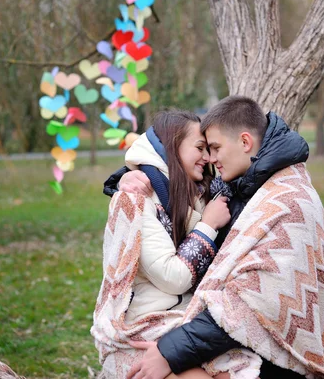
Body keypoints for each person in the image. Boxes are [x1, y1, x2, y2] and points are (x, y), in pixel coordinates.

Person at [109, 96, 324, 379]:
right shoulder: (244, 182)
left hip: (278, 359)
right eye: (203, 148)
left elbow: (253, 304)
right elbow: (172, 178)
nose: (210, 158)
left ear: (245, 143)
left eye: (213, 148)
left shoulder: (289, 200)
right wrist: (127, 177)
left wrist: (169, 352)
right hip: (227, 338)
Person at [91, 109, 233, 378]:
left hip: (188, 323)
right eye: (200, 148)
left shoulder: (198, 193)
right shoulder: (136, 199)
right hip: (145, 327)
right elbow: (174, 278)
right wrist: (208, 226)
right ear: (172, 146)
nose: (208, 158)